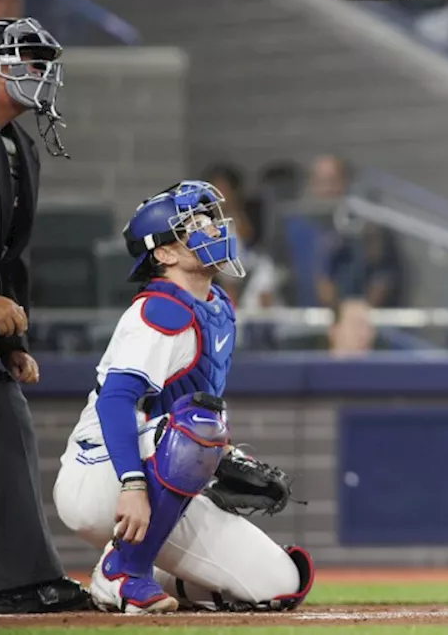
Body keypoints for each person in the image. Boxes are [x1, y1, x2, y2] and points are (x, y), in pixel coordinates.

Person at [52, 180, 315, 613]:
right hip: (101, 474)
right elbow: (116, 402)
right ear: (164, 253)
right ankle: (122, 572)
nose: (212, 229)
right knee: (201, 426)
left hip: (155, 469)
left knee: (279, 584)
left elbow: (186, 406)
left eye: (211, 219)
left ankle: (143, 566)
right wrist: (132, 483)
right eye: (194, 224)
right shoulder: (160, 309)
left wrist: (220, 459)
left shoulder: (217, 305)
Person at [0, 17, 90, 614]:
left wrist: (9, 344)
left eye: (40, 59)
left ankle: (17, 578)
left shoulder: (15, 146)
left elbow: (7, 255)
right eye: (21, 57)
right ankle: (16, 580)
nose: (36, 71)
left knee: (6, 420)